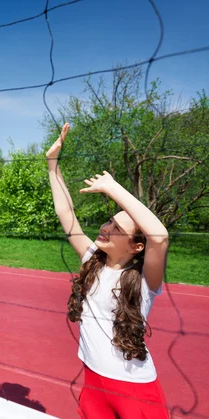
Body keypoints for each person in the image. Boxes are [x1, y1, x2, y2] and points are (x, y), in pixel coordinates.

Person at [46, 123, 170, 418]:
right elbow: (66, 213)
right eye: (108, 221)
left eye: (117, 227)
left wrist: (114, 189)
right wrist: (52, 166)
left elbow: (160, 237)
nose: (105, 227)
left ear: (136, 246)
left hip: (134, 389)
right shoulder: (93, 259)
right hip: (93, 380)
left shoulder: (143, 281)